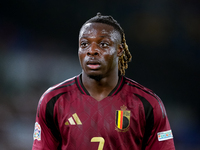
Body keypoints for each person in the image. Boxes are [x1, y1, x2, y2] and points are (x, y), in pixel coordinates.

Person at [32, 13, 175, 150]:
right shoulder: (53, 100)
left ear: (119, 50)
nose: (92, 50)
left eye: (103, 44)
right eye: (84, 44)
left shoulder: (147, 104)